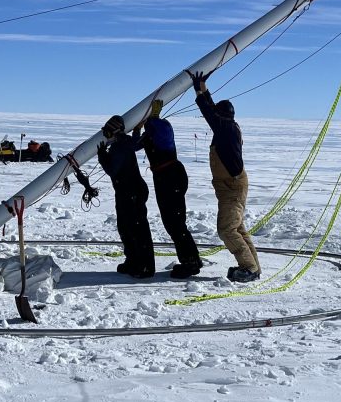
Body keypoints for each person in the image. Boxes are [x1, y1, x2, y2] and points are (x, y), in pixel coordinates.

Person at [190, 70, 261, 282]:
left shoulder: (226, 129)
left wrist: (198, 89)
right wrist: (203, 87)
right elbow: (212, 110)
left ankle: (249, 268)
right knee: (237, 228)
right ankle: (253, 267)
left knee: (227, 230)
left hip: (232, 187)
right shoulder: (227, 126)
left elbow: (208, 111)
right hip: (231, 186)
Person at [132, 99, 202, 279]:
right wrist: (137, 129)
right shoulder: (151, 134)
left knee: (175, 222)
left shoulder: (163, 128)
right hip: (165, 177)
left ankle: (191, 263)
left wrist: (153, 119)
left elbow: (160, 131)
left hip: (170, 177)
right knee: (172, 222)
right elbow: (134, 145)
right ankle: (191, 259)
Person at [97, 114, 155, 278]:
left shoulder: (119, 147)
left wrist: (103, 157)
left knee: (136, 229)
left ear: (114, 132)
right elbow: (137, 143)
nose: (106, 136)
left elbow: (112, 170)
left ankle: (144, 266)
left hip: (131, 192)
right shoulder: (125, 142)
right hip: (128, 191)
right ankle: (133, 260)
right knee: (126, 227)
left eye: (107, 132)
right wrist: (137, 130)